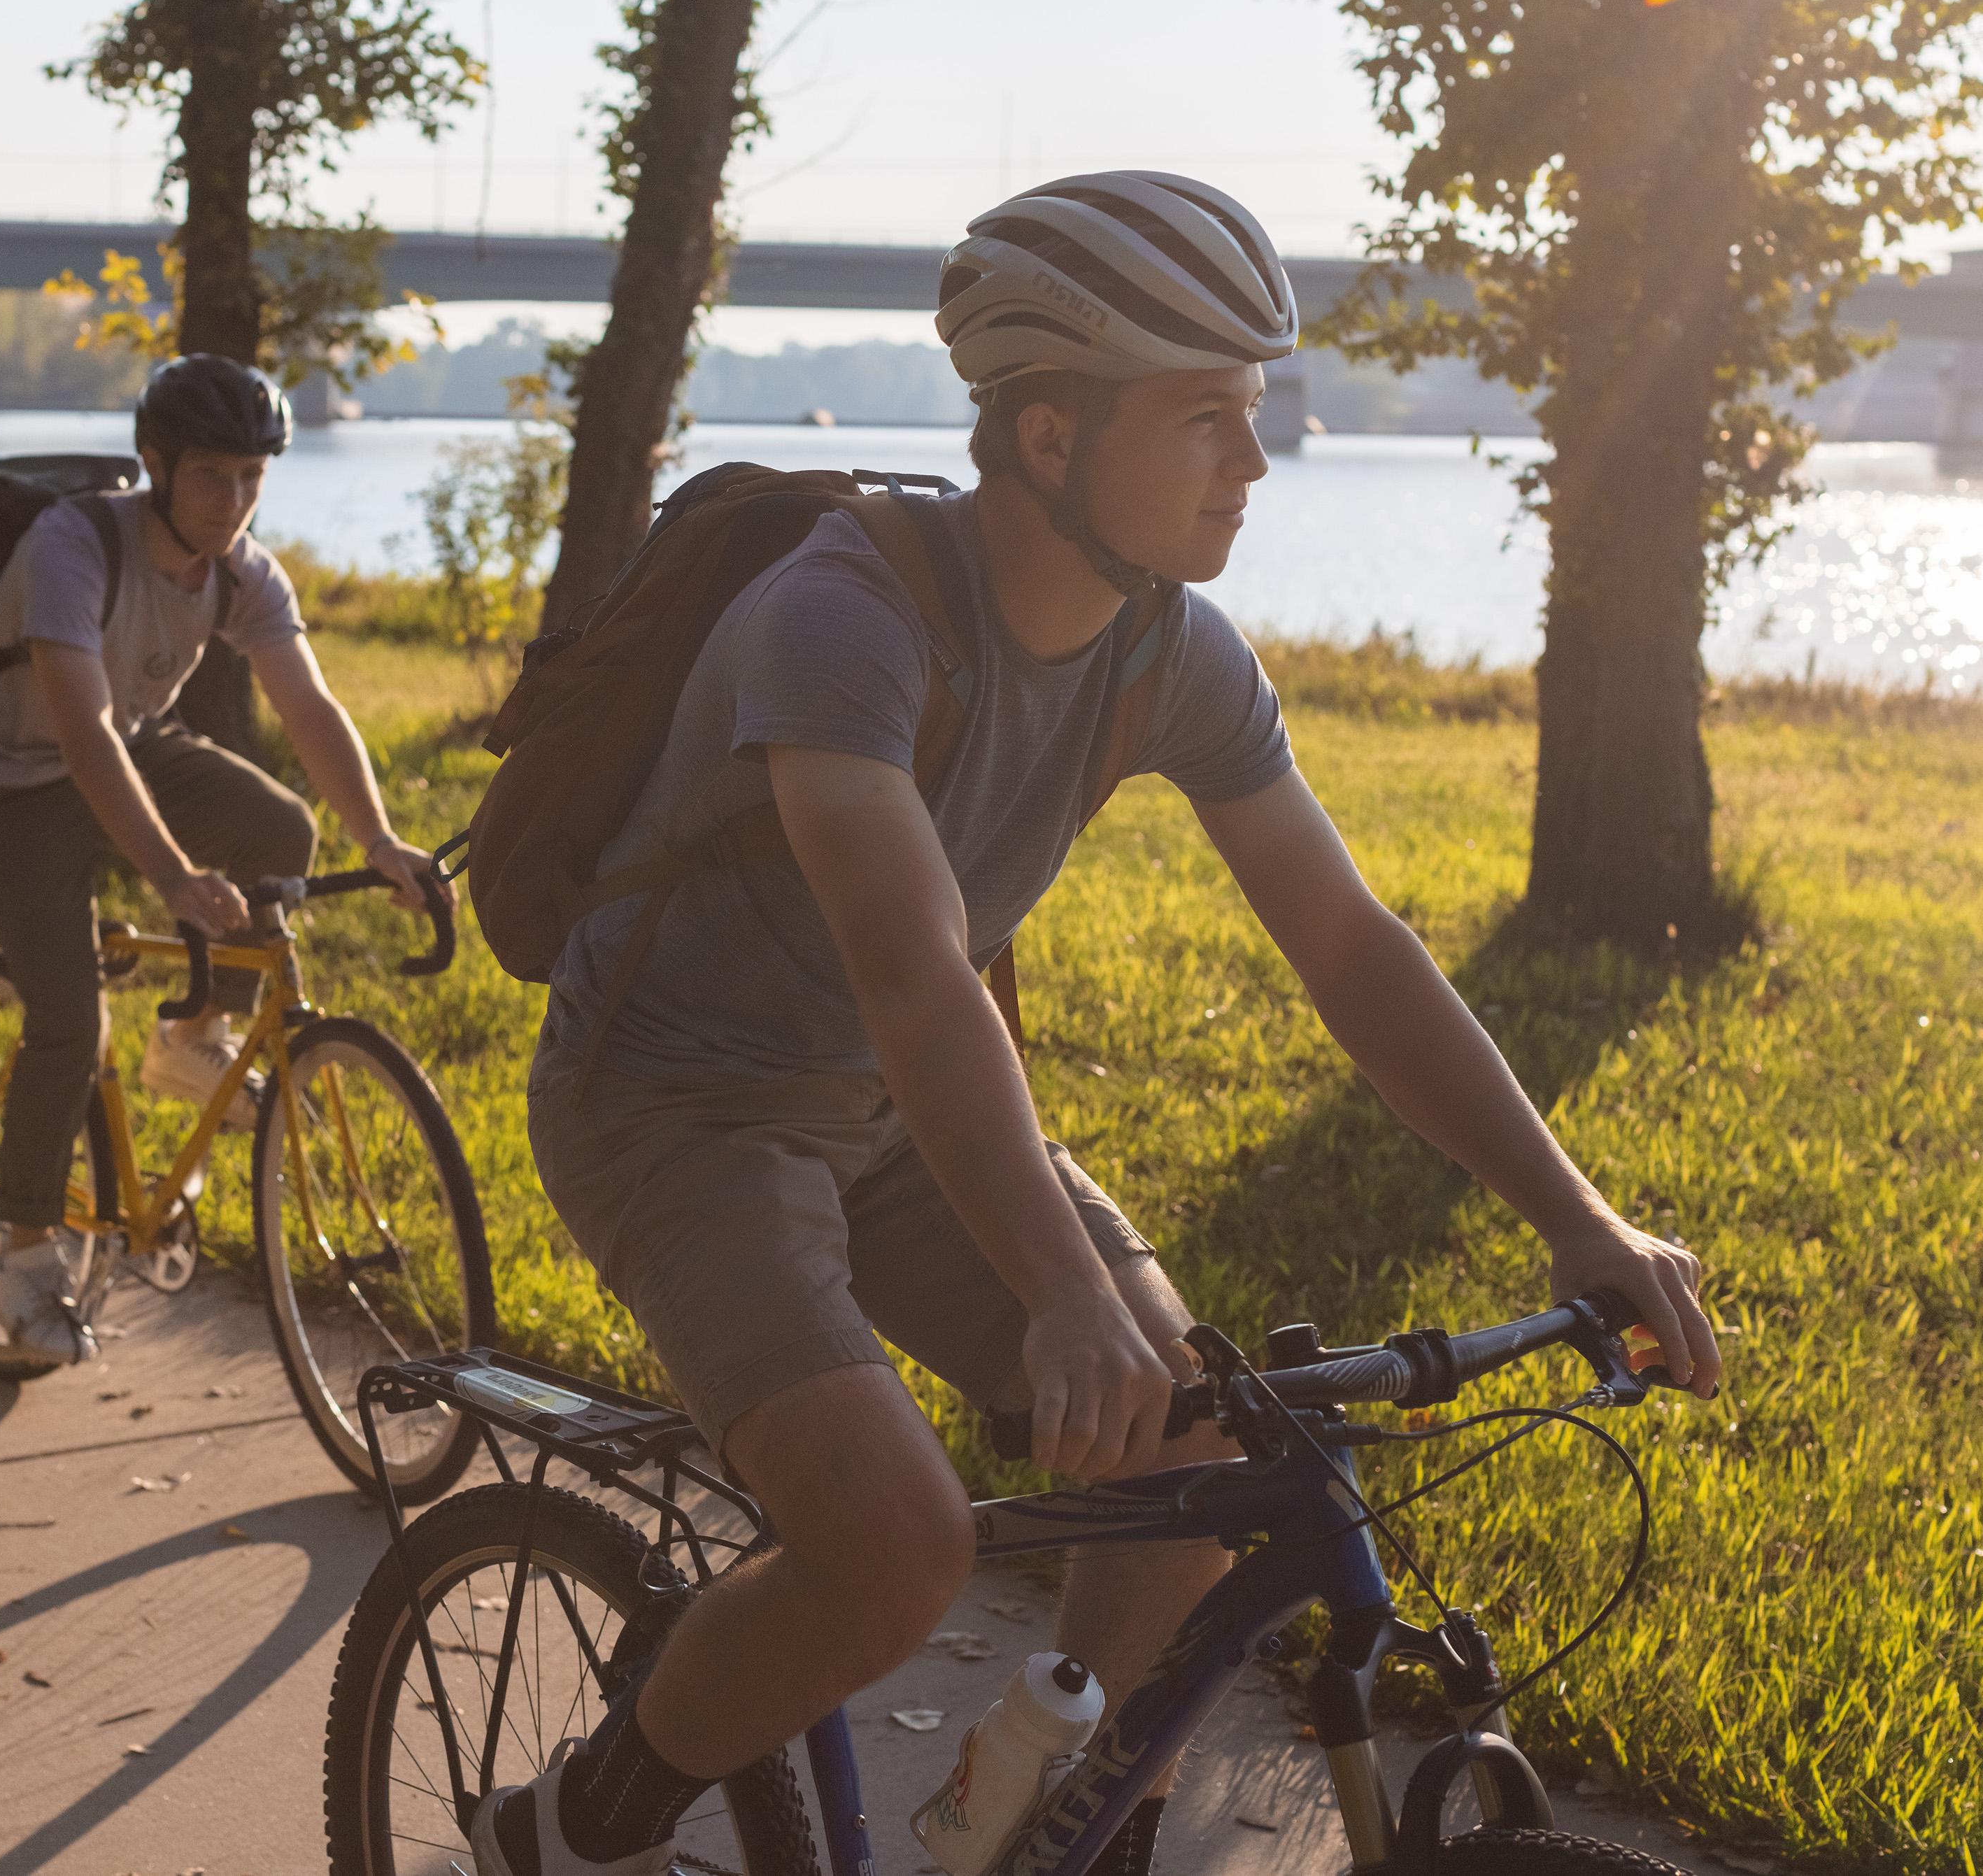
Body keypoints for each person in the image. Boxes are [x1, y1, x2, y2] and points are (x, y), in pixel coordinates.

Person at [475, 173, 1721, 1876]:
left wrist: (1576, 1219)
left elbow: (1350, 947)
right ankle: (572, 1822)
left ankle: (1046, 1820)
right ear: (1049, 438)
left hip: (896, 1107)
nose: (1254, 459)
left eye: (1254, 411)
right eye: (1208, 415)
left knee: (1198, 1455)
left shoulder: (1168, 654)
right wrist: (1062, 1289)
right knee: (895, 1547)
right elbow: (913, 965)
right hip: (675, 1110)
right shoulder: (841, 621)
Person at [0, 352, 445, 1367]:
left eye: (255, 478)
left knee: (280, 831)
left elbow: (310, 705)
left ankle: (190, 1040)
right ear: (155, 465)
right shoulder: (75, 543)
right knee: (68, 1020)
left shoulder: (243, 570)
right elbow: (79, 731)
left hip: (129, 745)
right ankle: (27, 1250)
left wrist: (379, 836)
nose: (236, 502)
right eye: (214, 476)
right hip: (16, 777)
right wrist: (172, 875)